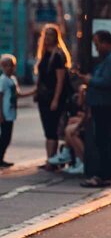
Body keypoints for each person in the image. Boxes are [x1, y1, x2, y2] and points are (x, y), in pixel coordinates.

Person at [77, 30, 111, 187]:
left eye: (97, 44)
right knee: (102, 140)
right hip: (102, 105)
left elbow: (106, 82)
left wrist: (90, 79)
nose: (96, 48)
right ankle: (104, 175)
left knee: (103, 141)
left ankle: (103, 176)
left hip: (105, 105)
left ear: (106, 42)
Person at [34, 24, 71, 168]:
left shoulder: (58, 55)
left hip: (53, 98)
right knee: (47, 130)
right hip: (43, 98)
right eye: (46, 34)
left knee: (52, 129)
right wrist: (35, 92)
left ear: (56, 37)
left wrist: (55, 100)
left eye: (51, 35)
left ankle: (52, 161)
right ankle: (50, 159)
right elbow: (41, 77)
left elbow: (60, 80)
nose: (48, 37)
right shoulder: (44, 53)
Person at [0, 54, 32, 168]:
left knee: (7, 137)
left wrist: (33, 92)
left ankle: (2, 158)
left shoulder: (13, 79)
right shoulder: (3, 80)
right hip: (5, 112)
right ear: (2, 67)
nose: (9, 68)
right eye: (6, 65)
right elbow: (1, 96)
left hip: (11, 112)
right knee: (4, 137)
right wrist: (1, 114)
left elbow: (17, 94)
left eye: (11, 66)